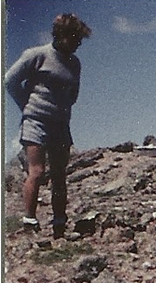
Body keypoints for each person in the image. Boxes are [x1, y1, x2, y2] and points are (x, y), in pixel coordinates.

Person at [5, 13, 92, 238]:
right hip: (36, 122)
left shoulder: (74, 63)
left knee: (59, 175)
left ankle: (59, 226)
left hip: (60, 124)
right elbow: (10, 80)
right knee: (37, 171)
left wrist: (64, 107)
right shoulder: (37, 55)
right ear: (62, 36)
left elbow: (74, 91)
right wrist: (27, 105)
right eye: (75, 40)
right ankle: (30, 223)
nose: (77, 45)